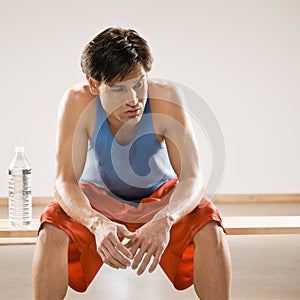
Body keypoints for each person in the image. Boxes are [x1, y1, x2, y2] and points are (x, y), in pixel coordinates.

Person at [32, 27, 232, 299]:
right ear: (94, 85)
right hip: (98, 199)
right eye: (118, 89)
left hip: (159, 197)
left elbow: (193, 178)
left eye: (139, 84)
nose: (134, 100)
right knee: (51, 228)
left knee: (210, 225)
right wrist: (96, 223)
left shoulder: (167, 97)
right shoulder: (77, 101)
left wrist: (166, 218)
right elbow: (65, 181)